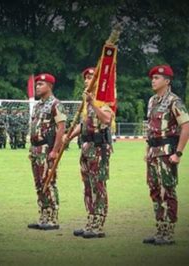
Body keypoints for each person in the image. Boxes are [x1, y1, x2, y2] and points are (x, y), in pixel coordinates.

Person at [142, 65, 189, 245]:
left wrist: (178, 153)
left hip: (167, 153)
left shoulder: (174, 101)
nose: (153, 81)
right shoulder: (152, 101)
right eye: (152, 78)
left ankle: (169, 232)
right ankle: (160, 229)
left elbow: (186, 126)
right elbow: (150, 129)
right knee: (154, 190)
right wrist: (147, 151)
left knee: (167, 191)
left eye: (157, 78)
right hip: (153, 153)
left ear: (167, 81)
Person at [66, 67, 114, 238]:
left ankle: (99, 224)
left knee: (98, 185)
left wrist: (93, 102)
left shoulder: (105, 99)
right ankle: (91, 218)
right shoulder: (86, 102)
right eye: (86, 78)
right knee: (87, 186)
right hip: (86, 148)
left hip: (99, 148)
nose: (87, 81)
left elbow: (107, 119)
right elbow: (84, 124)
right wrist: (69, 136)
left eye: (91, 77)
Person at [27, 73, 66, 230]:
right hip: (36, 148)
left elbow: (61, 127)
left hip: (47, 148)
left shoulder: (56, 104)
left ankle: (52, 217)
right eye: (36, 84)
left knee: (48, 182)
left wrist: (55, 150)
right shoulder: (37, 106)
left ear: (50, 86)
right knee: (38, 183)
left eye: (41, 84)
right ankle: (43, 214)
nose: (37, 86)